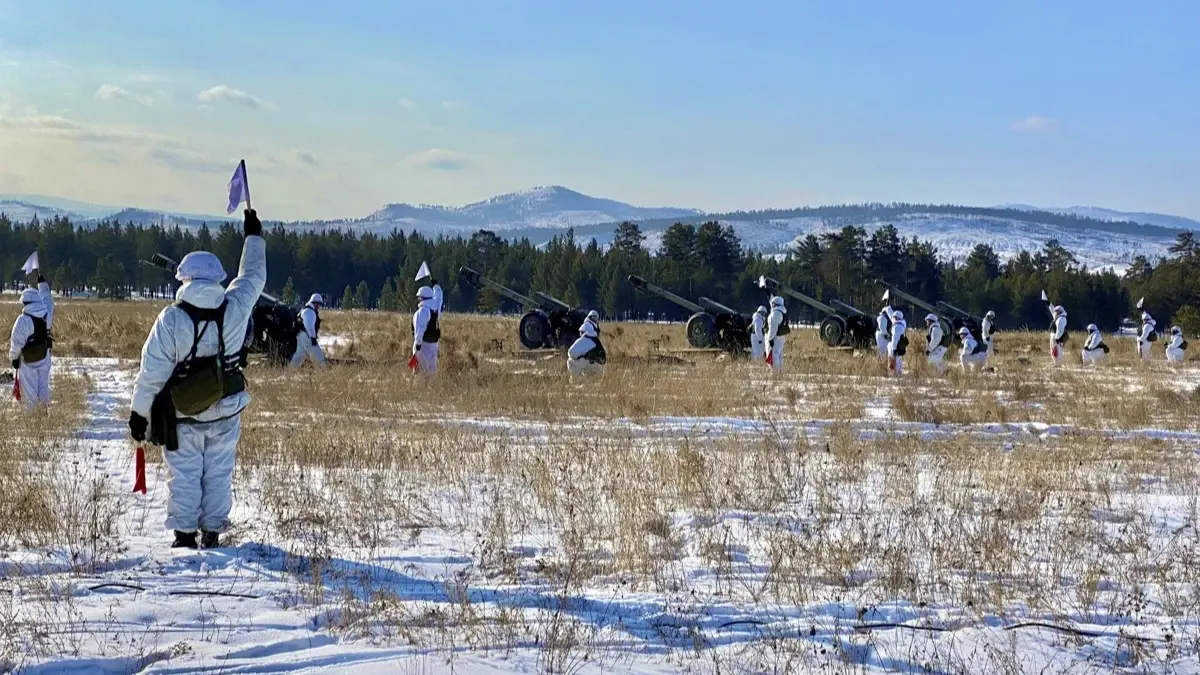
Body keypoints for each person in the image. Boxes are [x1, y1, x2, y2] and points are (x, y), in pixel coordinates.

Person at [127, 208, 265, 550]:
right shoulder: (235, 307)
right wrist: (254, 237)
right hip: (227, 408)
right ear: (218, 278)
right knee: (218, 472)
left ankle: (185, 536)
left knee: (185, 474)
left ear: (183, 279)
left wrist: (139, 414)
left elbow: (151, 373)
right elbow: (253, 276)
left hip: (184, 414)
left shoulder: (170, 320)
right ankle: (213, 532)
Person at [8, 274, 55, 410]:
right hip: (44, 356)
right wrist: (43, 285)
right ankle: (44, 412)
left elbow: (16, 343)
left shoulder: (22, 320)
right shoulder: (46, 313)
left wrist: (14, 358)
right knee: (43, 387)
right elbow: (48, 301)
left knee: (29, 392)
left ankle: (33, 419)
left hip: (28, 360)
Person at [412, 279, 442, 374]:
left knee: (420, 372)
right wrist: (436, 286)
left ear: (422, 298)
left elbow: (420, 329)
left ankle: (420, 388)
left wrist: (417, 344)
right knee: (432, 371)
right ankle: (432, 388)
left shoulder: (422, 311)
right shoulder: (436, 308)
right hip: (434, 344)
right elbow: (439, 297)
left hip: (423, 346)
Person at [289, 293, 327, 368]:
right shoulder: (310, 312)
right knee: (317, 354)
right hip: (307, 336)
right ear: (313, 302)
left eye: (319, 304)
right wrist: (312, 338)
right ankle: (323, 370)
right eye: (317, 303)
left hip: (300, 335)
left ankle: (290, 370)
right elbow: (309, 326)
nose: (318, 306)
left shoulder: (305, 309)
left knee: (300, 354)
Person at [765, 295, 788, 371]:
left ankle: (775, 372)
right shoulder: (783, 312)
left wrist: (770, 339)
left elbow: (773, 328)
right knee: (779, 355)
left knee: (774, 355)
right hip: (781, 337)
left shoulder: (775, 314)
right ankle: (780, 371)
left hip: (775, 337)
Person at [888, 310, 908, 375]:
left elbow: (895, 339)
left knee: (894, 360)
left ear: (896, 318)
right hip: (901, 345)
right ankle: (898, 373)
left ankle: (895, 374)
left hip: (895, 346)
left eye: (894, 317)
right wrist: (888, 309)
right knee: (899, 360)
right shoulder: (902, 324)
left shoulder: (896, 327)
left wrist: (894, 350)